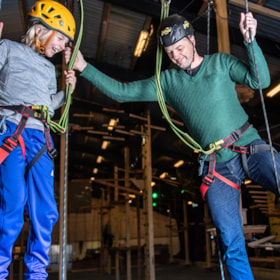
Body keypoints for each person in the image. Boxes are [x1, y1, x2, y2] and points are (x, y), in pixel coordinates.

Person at [65, 11, 280, 280]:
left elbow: (260, 81)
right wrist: (84, 67)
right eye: (170, 53)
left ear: (192, 39)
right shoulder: (167, 82)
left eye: (179, 48)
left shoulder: (221, 63)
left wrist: (250, 41)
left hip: (248, 146)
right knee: (230, 240)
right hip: (217, 167)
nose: (176, 56)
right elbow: (122, 92)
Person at [0, 1, 77, 279]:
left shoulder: (48, 69)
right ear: (41, 29)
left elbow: (48, 104)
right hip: (11, 131)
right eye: (60, 38)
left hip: (41, 139)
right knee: (13, 203)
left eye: (66, 41)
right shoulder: (7, 48)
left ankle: (37, 273)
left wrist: (66, 90)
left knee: (46, 211)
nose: (61, 45)